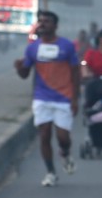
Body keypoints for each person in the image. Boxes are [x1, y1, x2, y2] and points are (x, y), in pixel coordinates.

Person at [14, 10, 80, 187]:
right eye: (40, 21)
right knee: (44, 136)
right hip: (42, 97)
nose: (43, 24)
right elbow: (25, 74)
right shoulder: (33, 47)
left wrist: (75, 99)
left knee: (63, 137)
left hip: (63, 98)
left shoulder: (66, 46)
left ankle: (65, 153)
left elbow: (76, 72)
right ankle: (51, 172)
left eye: (47, 21)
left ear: (55, 26)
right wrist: (18, 67)